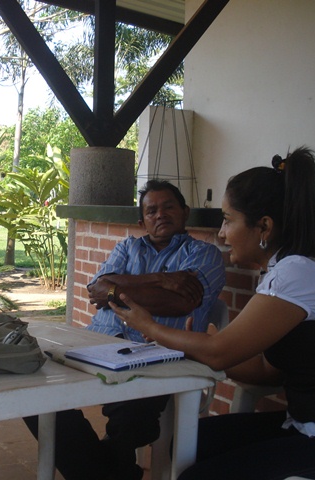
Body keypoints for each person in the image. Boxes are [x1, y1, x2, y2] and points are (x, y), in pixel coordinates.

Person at [111, 148, 315, 479]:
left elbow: (219, 352)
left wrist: (151, 327)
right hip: (305, 425)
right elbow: (268, 371)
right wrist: (198, 347)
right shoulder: (289, 269)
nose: (222, 234)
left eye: (228, 220)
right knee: (189, 443)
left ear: (264, 226)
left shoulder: (296, 273)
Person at [25, 179, 226, 480]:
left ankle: (110, 469)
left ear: (185, 212)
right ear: (142, 221)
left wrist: (116, 290)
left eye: (168, 207)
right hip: (98, 343)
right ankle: (116, 468)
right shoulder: (128, 247)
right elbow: (96, 289)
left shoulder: (204, 253)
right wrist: (162, 279)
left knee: (130, 411)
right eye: (151, 211)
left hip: (159, 352)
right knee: (36, 390)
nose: (160, 215)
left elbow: (179, 302)